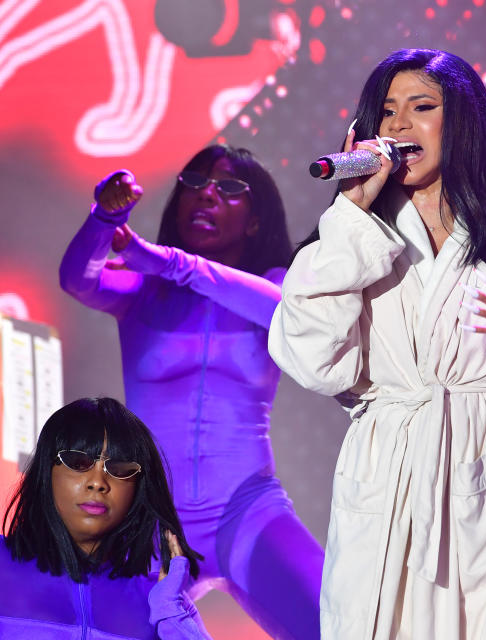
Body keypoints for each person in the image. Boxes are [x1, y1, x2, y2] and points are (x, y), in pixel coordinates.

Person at [268, 48, 486, 639]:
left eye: (421, 107)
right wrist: (351, 220)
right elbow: (311, 363)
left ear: (461, 123)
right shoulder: (348, 237)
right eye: (386, 113)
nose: (399, 125)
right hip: (390, 478)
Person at [59, 145, 324, 639]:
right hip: (149, 521)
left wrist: (171, 262)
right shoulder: (141, 289)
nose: (205, 196)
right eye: (194, 184)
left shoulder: (275, 285)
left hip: (247, 512)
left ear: (253, 221)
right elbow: (77, 279)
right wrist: (103, 219)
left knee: (343, 626)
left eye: (227, 189)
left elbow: (285, 315)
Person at [0, 396, 209, 638]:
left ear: (139, 488)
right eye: (78, 462)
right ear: (47, 473)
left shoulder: (163, 602)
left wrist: (171, 613)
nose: (98, 482)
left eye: (119, 470)